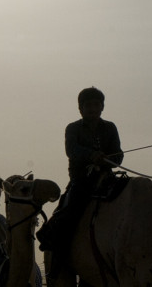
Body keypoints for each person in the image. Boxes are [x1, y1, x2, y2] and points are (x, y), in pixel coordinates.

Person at [38, 87, 123, 253]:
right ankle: (60, 255)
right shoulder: (73, 128)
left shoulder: (110, 127)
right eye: (88, 105)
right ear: (80, 108)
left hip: (107, 179)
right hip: (82, 181)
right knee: (68, 216)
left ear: (102, 107)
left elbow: (118, 156)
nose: (92, 109)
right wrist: (91, 155)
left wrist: (108, 159)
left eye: (96, 105)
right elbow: (71, 150)